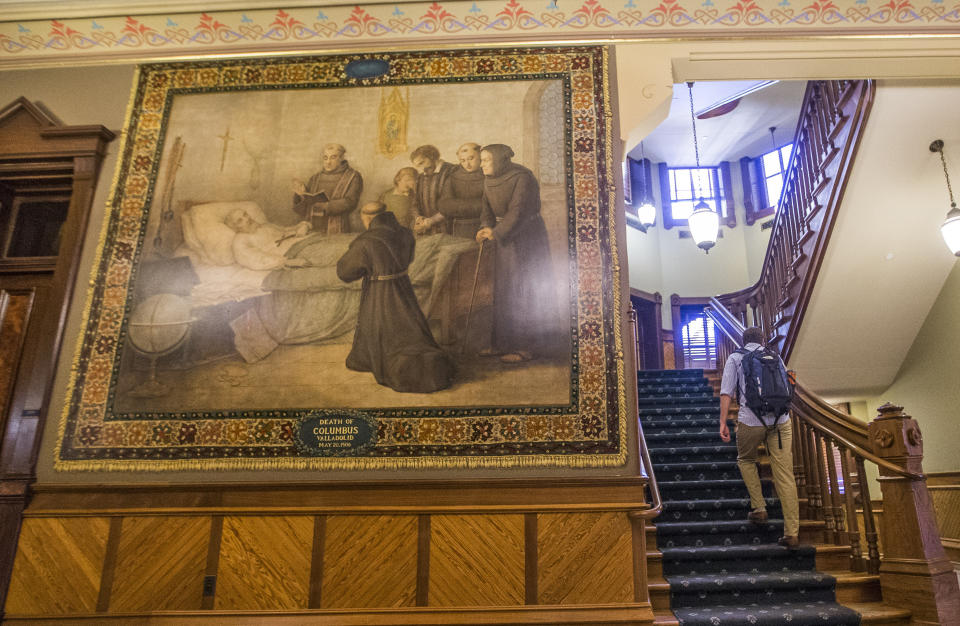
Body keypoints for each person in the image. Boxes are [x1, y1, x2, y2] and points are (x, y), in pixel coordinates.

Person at [336, 201, 454, 393]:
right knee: (409, 326)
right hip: (403, 288)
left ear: (367, 218)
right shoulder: (405, 233)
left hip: (378, 293)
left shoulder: (366, 241)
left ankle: (386, 363)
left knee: (380, 326)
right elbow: (407, 259)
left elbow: (345, 272)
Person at [719, 326, 800, 548]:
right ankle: (792, 533)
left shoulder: (735, 357)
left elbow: (726, 392)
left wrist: (722, 422)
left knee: (745, 460)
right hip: (781, 421)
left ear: (743, 340)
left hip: (751, 421)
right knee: (785, 475)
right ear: (763, 340)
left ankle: (760, 508)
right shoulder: (775, 357)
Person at [475, 143, 553, 363]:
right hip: (505, 239)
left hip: (526, 236)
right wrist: (484, 228)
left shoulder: (522, 177)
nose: (482, 165)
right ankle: (501, 343)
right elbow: (486, 209)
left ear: (500, 160)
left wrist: (496, 231)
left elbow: (518, 211)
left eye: (486, 160)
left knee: (522, 289)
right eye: (481, 160)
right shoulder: (488, 179)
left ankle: (525, 347)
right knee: (504, 289)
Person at [292, 143, 362, 234]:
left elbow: (350, 202)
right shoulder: (315, 178)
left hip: (337, 229)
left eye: (333, 157)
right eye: (325, 158)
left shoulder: (353, 176)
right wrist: (301, 195)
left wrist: (326, 206)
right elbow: (305, 209)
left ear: (341, 158)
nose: (328, 162)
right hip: (311, 229)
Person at [224, 208, 310, 271]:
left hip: (304, 242)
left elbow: (286, 230)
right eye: (240, 220)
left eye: (245, 214)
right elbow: (257, 259)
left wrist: (304, 226)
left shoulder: (264, 226)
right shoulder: (239, 241)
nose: (247, 219)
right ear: (235, 228)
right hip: (293, 254)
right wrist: (288, 262)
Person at [437, 142, 485, 238]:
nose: (467, 164)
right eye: (462, 160)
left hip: (485, 226)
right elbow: (444, 205)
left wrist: (459, 206)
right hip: (460, 228)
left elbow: (494, 204)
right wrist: (477, 205)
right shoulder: (453, 177)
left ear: (480, 156)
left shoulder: (489, 175)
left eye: (471, 159)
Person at [410, 144, 457, 236]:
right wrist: (418, 218)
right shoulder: (421, 177)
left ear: (432, 157)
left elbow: (452, 205)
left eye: (422, 163)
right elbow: (415, 203)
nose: (421, 168)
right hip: (427, 230)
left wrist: (431, 221)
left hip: (449, 229)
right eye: (417, 165)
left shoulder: (452, 171)